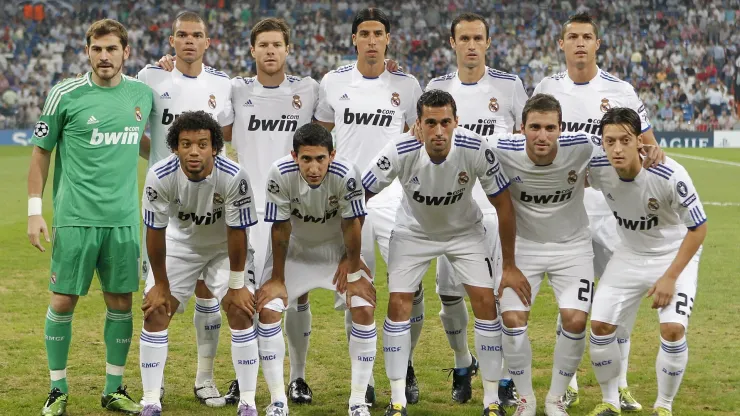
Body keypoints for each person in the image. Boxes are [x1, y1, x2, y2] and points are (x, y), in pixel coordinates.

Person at [533, 12, 664, 411]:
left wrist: (655, 153)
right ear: (561, 44)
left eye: (587, 37)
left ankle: (619, 384)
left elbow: (647, 144)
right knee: (572, 302)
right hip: (566, 210)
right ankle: (568, 383)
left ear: (597, 44)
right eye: (572, 36)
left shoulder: (620, 89)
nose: (579, 43)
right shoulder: (546, 87)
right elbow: (532, 138)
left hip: (613, 215)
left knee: (619, 300)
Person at [364, 90, 521, 416]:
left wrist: (510, 265)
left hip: (464, 233)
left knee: (484, 303)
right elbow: (359, 193)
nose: (438, 131)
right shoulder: (399, 150)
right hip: (413, 233)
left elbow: (504, 205)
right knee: (398, 305)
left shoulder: (476, 147)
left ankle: (491, 402)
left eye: (445, 122)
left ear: (456, 122)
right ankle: (397, 402)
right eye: (430, 123)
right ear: (417, 125)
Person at [27, 18, 153, 416]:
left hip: (122, 219)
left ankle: (113, 388)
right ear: (87, 51)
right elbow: (41, 152)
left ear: (125, 52)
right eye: (97, 49)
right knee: (63, 301)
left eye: (111, 48)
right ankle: (57, 389)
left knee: (121, 302)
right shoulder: (64, 94)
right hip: (75, 216)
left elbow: (145, 142)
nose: (104, 56)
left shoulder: (142, 94)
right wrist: (34, 211)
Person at [314, 7, 423, 405]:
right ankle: (365, 379)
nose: (372, 39)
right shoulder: (333, 82)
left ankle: (404, 365)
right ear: (355, 39)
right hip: (347, 200)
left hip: (395, 200)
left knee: (407, 289)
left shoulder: (408, 85)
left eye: (379, 33)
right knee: (355, 288)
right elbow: (319, 137)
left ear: (388, 39)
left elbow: (419, 138)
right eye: (365, 33)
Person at [425, 12, 527, 406]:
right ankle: (463, 361)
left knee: (499, 296)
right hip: (450, 210)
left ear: (488, 42)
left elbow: (527, 134)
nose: (470, 44)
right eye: (463, 38)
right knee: (450, 295)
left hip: (498, 208)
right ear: (452, 43)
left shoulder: (509, 86)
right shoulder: (437, 87)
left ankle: (501, 378)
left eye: (477, 38)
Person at [137, 11, 234, 406]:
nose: (190, 41)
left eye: (197, 35)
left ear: (208, 42)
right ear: (171, 40)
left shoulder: (223, 84)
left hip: (208, 206)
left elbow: (224, 139)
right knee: (158, 297)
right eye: (182, 35)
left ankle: (204, 378)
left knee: (208, 294)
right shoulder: (150, 78)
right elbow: (137, 131)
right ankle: (153, 386)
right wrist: (160, 163)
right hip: (164, 204)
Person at [586, 107, 706, 416]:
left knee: (673, 330)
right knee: (599, 326)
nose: (616, 148)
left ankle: (663, 406)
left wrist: (669, 277)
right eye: (609, 141)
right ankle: (610, 401)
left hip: (673, 254)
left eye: (624, 140)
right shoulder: (598, 167)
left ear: (640, 141)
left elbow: (698, 228)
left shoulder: (668, 173)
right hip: (629, 253)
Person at [138, 110, 259, 416]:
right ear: (175, 147)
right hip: (180, 247)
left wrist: (236, 285)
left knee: (241, 311)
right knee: (155, 311)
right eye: (186, 143)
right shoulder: (160, 176)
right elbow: (155, 232)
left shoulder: (233, 176)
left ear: (214, 147)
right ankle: (151, 399)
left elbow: (237, 233)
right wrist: (161, 285)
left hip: (222, 249)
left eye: (202, 144)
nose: (194, 151)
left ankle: (248, 402)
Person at [486, 94, 598, 416]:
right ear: (521, 128)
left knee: (576, 320)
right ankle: (525, 399)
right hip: (523, 249)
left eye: (550, 127)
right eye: (535, 127)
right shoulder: (501, 149)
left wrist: (650, 150)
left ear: (561, 129)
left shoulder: (583, 146)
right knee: (512, 320)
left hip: (573, 247)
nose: (542, 135)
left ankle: (555, 399)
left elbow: (622, 145)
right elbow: (463, 143)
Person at [254, 123, 376, 416]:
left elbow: (352, 222)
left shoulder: (346, 174)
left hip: (336, 251)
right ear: (293, 156)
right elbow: (281, 229)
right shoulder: (279, 173)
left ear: (332, 155)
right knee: (269, 309)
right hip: (295, 250)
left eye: (320, 158)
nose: (313, 167)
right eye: (306, 159)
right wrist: (277, 279)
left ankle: (358, 401)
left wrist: (353, 267)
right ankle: (277, 401)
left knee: (363, 307)